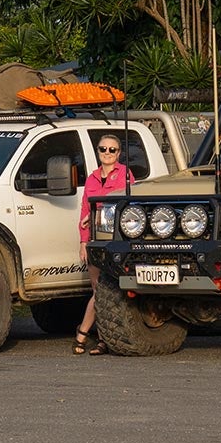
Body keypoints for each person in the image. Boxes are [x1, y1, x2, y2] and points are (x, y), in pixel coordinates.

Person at [74, 134, 134, 354]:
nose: (107, 153)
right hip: (94, 240)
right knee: (98, 289)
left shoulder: (125, 174)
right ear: (98, 151)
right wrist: (83, 242)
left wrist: (97, 214)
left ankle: (84, 333)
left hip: (115, 240)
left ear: (119, 153)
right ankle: (101, 339)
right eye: (103, 149)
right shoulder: (91, 178)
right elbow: (83, 210)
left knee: (107, 290)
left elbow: (125, 203)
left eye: (112, 150)